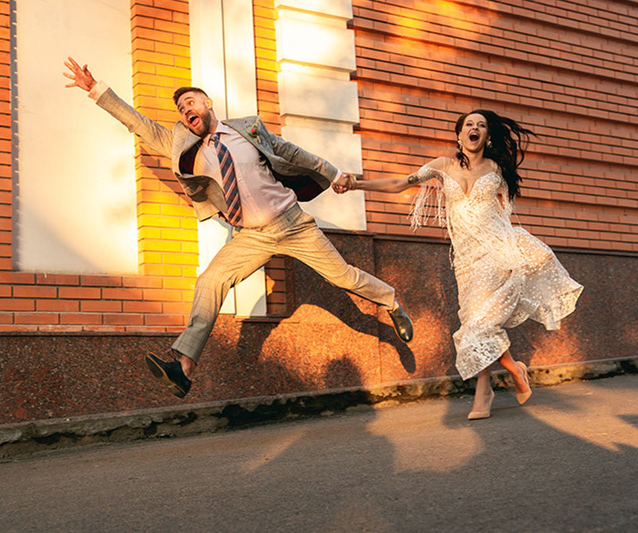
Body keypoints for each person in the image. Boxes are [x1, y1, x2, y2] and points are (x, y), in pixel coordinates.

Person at [64, 57, 413, 399]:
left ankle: (392, 300)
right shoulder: (184, 148)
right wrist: (95, 89)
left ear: (207, 104)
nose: (185, 110)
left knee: (344, 278)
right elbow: (138, 123)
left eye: (190, 102)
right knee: (210, 280)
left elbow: (292, 153)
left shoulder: (248, 129)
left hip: (293, 224)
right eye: (180, 109)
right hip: (252, 236)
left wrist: (334, 174)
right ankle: (183, 368)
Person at [334, 109, 583, 419]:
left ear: (488, 137)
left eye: (481, 125)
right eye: (469, 125)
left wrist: (515, 245)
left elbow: (505, 210)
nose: (475, 128)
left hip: (496, 252)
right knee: (475, 324)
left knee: (479, 324)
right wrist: (356, 185)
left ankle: (483, 392)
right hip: (465, 261)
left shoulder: (496, 169)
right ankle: (514, 371)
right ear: (459, 135)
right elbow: (401, 182)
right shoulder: (443, 166)